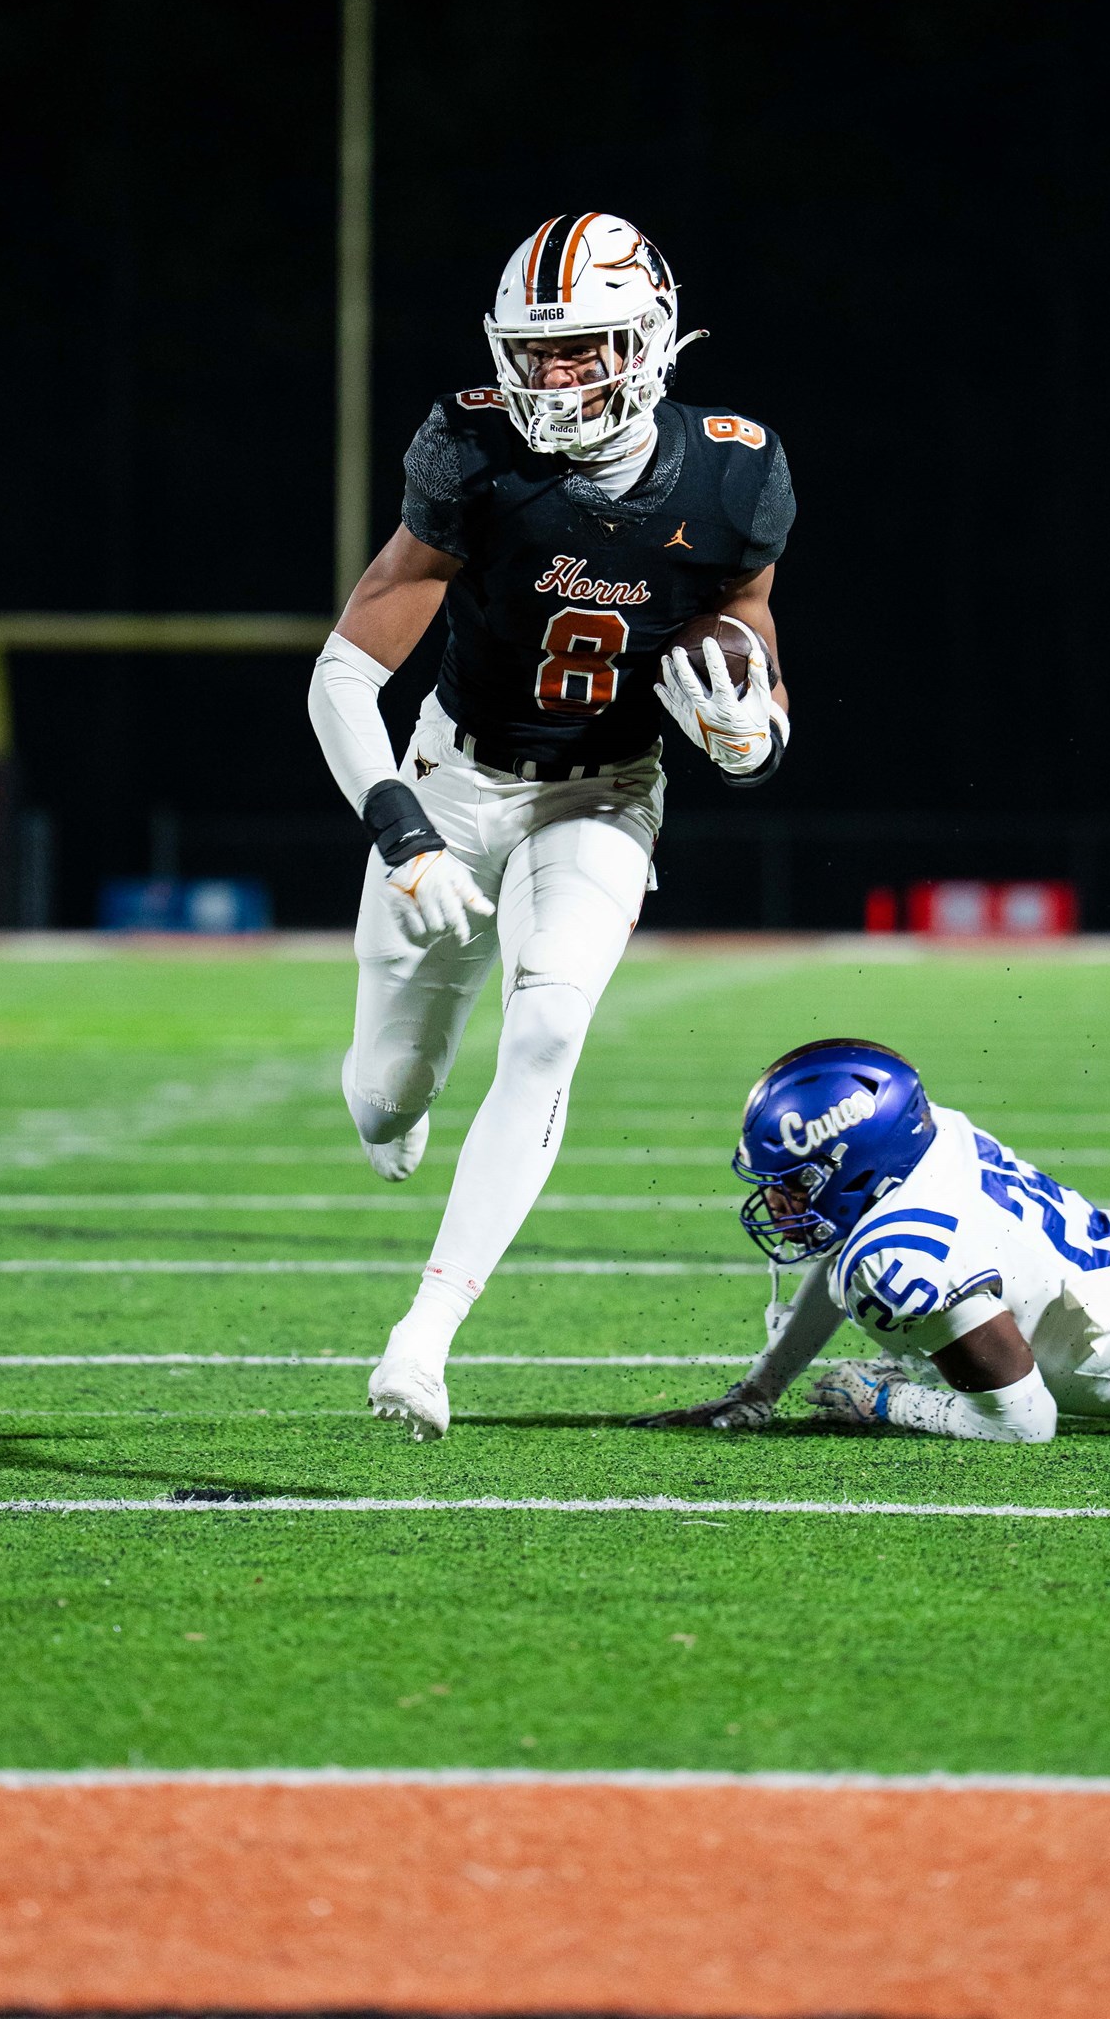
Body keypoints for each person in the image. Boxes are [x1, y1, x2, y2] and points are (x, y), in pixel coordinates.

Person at [309, 213, 794, 1441]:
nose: (551, 377)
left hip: (604, 787)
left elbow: (750, 630)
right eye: (535, 351)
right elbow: (342, 672)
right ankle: (400, 1102)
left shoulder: (737, 470)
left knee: (551, 1022)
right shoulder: (474, 450)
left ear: (646, 341)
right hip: (453, 776)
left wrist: (755, 726)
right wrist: (402, 830)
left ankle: (422, 1341)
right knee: (381, 1097)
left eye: (579, 348)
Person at [638, 1037, 1110, 1439]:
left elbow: (1022, 1422)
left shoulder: (893, 1261)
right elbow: (843, 1254)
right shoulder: (932, 1139)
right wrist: (761, 1389)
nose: (775, 1199)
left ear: (850, 1161)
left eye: (793, 1178)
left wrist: (888, 1405)